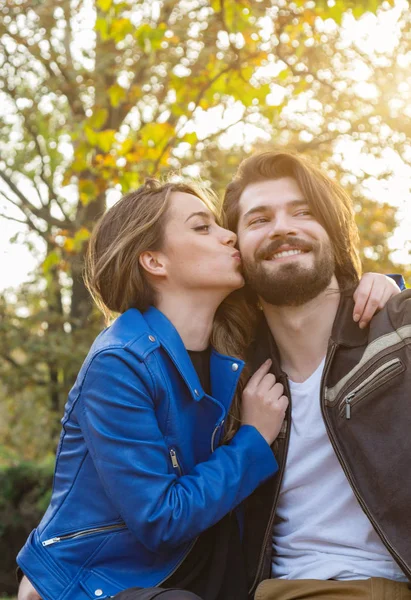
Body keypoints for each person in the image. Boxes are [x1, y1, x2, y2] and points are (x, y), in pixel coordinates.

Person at [17, 177, 399, 600]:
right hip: (107, 582)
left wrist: (384, 287)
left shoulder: (235, 349)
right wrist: (252, 439)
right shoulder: (120, 362)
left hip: (200, 578)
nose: (229, 235)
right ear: (155, 262)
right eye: (203, 228)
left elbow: (307, 296)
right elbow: (160, 520)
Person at [223, 151, 410, 600]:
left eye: (302, 212)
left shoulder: (400, 332)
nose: (282, 227)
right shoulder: (229, 375)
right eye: (258, 219)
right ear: (236, 252)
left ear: (333, 230)